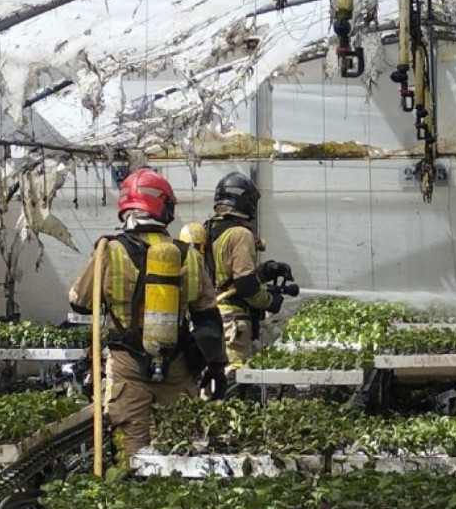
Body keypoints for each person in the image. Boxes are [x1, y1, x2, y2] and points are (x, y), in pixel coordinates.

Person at [68, 167, 224, 463]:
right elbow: (207, 315)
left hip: (127, 366)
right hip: (176, 364)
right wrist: (216, 367)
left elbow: (80, 302)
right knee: (183, 450)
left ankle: (129, 501)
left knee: (131, 452)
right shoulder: (188, 254)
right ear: (165, 208)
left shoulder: (108, 250)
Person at [201, 172, 294, 373]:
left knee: (212, 378)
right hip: (233, 322)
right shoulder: (240, 234)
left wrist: (265, 271)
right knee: (233, 379)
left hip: (210, 317)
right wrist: (270, 300)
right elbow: (246, 287)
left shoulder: (209, 230)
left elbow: (223, 274)